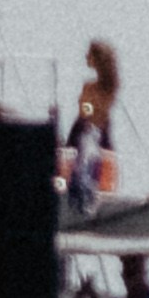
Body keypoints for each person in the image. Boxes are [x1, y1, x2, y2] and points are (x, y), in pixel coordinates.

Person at [62, 42, 122, 205]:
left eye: (89, 55)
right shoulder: (87, 86)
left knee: (92, 158)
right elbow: (85, 109)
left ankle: (88, 192)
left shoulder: (107, 87)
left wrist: (90, 116)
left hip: (97, 129)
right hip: (81, 127)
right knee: (72, 159)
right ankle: (75, 190)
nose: (86, 58)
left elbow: (96, 108)